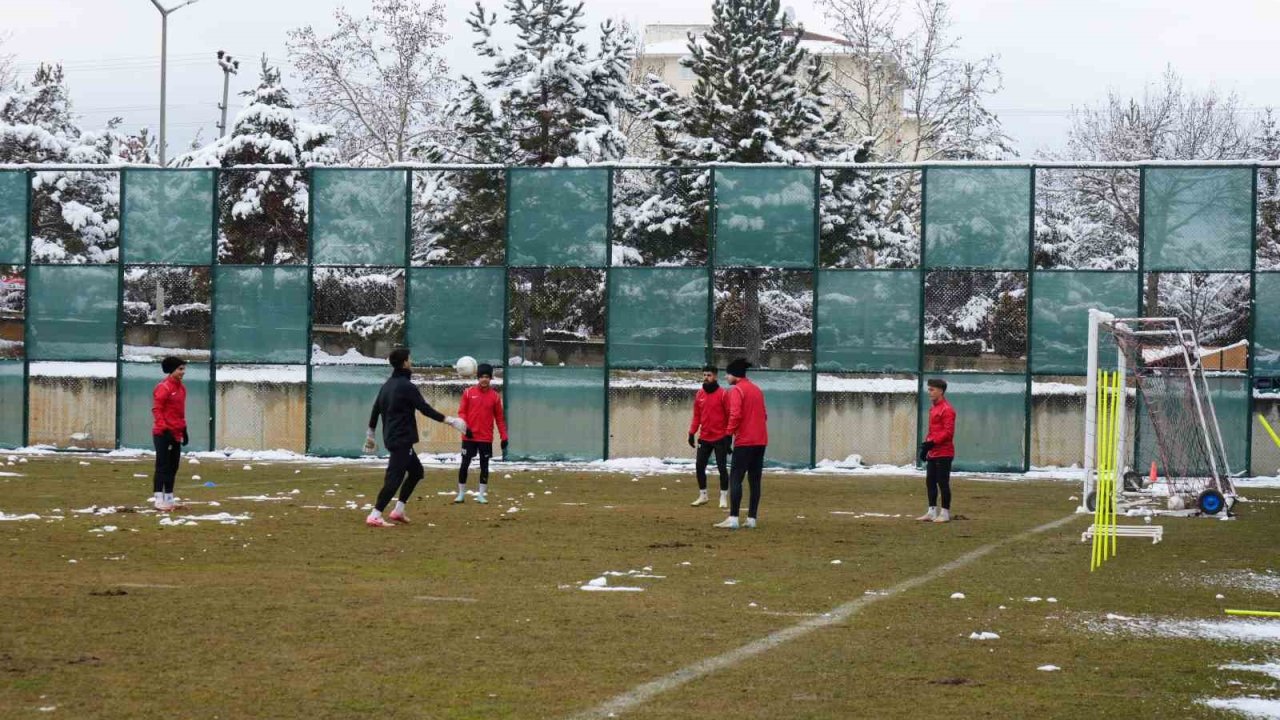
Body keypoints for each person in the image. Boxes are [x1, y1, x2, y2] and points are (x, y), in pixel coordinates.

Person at [363, 348, 469, 527]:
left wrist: (371, 434)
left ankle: (398, 511)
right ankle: (375, 515)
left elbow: (376, 409)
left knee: (416, 472)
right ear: (404, 362)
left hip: (395, 437)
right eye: (409, 359)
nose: (411, 361)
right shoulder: (406, 386)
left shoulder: (388, 384)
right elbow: (424, 408)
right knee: (394, 478)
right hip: (400, 439)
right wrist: (450, 421)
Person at [715, 358, 768, 530]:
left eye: (727, 373)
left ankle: (733, 518)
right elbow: (764, 415)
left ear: (734, 375)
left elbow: (735, 415)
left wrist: (728, 435)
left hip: (745, 441)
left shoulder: (737, 390)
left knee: (736, 478)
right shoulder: (757, 390)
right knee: (755, 480)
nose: (726, 377)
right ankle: (752, 518)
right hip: (760, 441)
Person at [455, 363, 508, 505]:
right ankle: (461, 494)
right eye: (482, 376)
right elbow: (461, 412)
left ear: (490, 378)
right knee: (464, 464)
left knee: (484, 466)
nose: (484, 379)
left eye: (487, 377)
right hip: (469, 436)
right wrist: (466, 428)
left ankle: (481, 495)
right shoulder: (468, 393)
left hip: (485, 438)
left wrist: (504, 437)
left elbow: (500, 419)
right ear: (478, 377)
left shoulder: (495, 397)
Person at [688, 364, 730, 508]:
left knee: (721, 467)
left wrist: (729, 437)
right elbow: (696, 416)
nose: (706, 377)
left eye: (709, 375)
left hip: (720, 437)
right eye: (704, 375)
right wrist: (691, 433)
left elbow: (730, 416)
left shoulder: (723, 394)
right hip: (704, 437)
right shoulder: (699, 394)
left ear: (715, 376)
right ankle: (703, 495)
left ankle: (723, 497)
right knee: (699, 466)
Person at [151, 356, 188, 512]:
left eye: (183, 369)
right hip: (163, 433)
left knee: (173, 467)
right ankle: (158, 499)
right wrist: (163, 427)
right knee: (163, 466)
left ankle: (169, 498)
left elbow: (179, 412)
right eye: (180, 369)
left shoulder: (182, 388)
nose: (183, 372)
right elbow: (157, 409)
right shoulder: (163, 387)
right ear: (172, 370)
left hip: (176, 433)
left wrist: (184, 429)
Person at [918, 378, 956, 523]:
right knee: (930, 482)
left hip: (945, 453)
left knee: (943, 482)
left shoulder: (947, 410)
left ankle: (945, 513)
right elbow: (932, 430)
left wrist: (932, 442)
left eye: (932, 389)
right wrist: (926, 447)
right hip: (933, 452)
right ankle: (931, 512)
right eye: (929, 389)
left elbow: (948, 433)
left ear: (940, 391)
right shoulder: (933, 408)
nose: (929, 392)